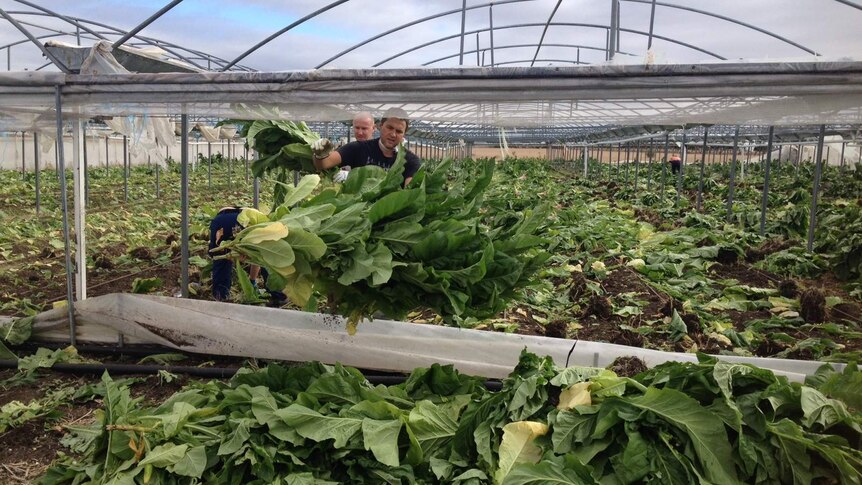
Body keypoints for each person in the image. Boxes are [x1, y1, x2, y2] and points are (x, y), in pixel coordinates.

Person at [312, 107, 421, 185]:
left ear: (404, 134)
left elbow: (410, 191)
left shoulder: (410, 160)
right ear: (380, 126)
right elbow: (324, 164)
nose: (393, 134)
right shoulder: (358, 148)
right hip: (359, 212)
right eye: (390, 128)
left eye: (398, 131)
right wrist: (320, 153)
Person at [208, 206, 285, 303]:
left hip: (221, 220)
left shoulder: (258, 216)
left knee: (219, 258)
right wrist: (252, 280)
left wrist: (234, 255)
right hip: (245, 222)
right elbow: (256, 259)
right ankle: (277, 295)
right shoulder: (266, 226)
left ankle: (221, 297)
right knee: (265, 257)